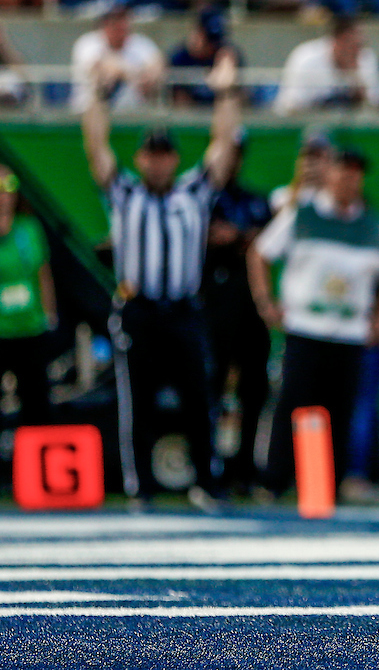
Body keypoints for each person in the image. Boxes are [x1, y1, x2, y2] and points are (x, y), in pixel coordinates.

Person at [82, 50, 241, 511]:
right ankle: (140, 487)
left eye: (164, 154)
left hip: (184, 307)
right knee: (137, 401)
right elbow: (96, 146)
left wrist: (226, 91)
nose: (156, 163)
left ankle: (206, 481)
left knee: (199, 396)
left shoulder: (193, 192)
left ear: (173, 158)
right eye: (150, 155)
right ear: (140, 158)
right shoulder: (124, 192)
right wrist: (97, 92)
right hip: (139, 306)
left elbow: (224, 144)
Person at [249, 148, 379, 499]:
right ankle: (276, 480)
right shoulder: (302, 214)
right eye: (343, 171)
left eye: (356, 173)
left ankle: (329, 485)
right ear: (329, 174)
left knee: (341, 408)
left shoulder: (372, 223)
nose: (350, 179)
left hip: (349, 332)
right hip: (305, 326)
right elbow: (259, 252)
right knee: (292, 402)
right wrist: (265, 301)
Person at [203, 134, 273, 494]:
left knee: (253, 391)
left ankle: (244, 468)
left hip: (249, 311)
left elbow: (265, 238)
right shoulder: (202, 199)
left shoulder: (254, 200)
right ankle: (209, 467)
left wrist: (239, 236)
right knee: (210, 390)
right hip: (213, 308)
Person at [0, 165, 56, 428]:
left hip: (30, 329)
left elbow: (43, 273)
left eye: (8, 186)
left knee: (36, 404)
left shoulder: (29, 227)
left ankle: (36, 463)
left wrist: (50, 314)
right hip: (2, 330)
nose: (3, 194)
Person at [273, 17, 379, 114]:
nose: (356, 51)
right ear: (337, 40)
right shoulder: (306, 58)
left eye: (359, 45)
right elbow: (292, 107)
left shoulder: (366, 58)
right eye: (351, 44)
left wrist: (355, 77)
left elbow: (375, 107)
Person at [70, 4, 166, 113]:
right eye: (115, 19)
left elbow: (158, 64)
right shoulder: (88, 42)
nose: (121, 24)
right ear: (104, 24)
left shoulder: (140, 42)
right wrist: (133, 74)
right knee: (105, 80)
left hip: (132, 115)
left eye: (124, 18)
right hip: (88, 113)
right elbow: (104, 67)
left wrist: (149, 76)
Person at [170, 7, 242, 106]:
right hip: (190, 112)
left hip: (216, 109)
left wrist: (225, 61)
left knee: (228, 98)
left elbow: (223, 83)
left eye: (215, 40)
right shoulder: (181, 56)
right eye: (208, 39)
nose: (212, 45)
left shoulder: (225, 51)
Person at [270, 128, 335, 213]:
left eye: (318, 156)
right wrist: (298, 185)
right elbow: (279, 219)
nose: (312, 162)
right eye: (308, 156)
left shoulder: (335, 198)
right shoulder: (280, 195)